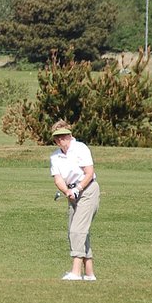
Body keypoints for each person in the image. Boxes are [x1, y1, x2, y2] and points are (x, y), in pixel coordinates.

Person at [49, 120, 99, 280]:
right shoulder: (55, 156)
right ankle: (89, 274)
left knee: (77, 229)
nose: (61, 139)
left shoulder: (80, 149)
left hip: (88, 190)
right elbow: (58, 179)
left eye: (64, 136)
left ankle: (76, 272)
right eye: (57, 137)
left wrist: (77, 189)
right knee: (77, 230)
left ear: (70, 135)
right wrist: (68, 191)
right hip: (71, 192)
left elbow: (89, 173)